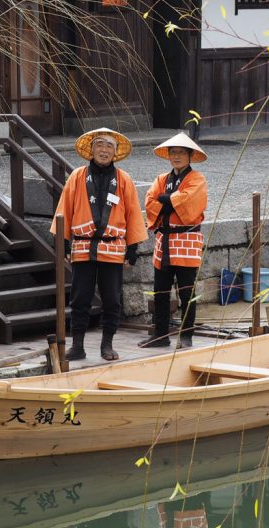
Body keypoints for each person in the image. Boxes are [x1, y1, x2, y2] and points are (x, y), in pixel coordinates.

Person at [51, 128, 148, 361]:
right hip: (83, 247)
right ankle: (78, 345)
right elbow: (64, 209)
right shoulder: (76, 176)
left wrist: (132, 250)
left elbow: (134, 213)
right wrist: (63, 243)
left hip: (113, 247)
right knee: (80, 298)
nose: (104, 150)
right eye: (99, 145)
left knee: (112, 298)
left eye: (109, 146)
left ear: (115, 152)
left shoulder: (124, 179)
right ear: (91, 150)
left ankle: (107, 344)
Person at [141, 133, 208, 349]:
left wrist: (166, 199)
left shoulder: (197, 179)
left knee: (187, 291)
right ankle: (160, 335)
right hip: (164, 239)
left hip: (187, 239)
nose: (176, 156)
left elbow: (190, 203)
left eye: (181, 152)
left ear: (190, 156)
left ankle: (187, 335)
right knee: (160, 290)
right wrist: (171, 201)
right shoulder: (162, 179)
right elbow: (150, 201)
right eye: (173, 152)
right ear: (168, 156)